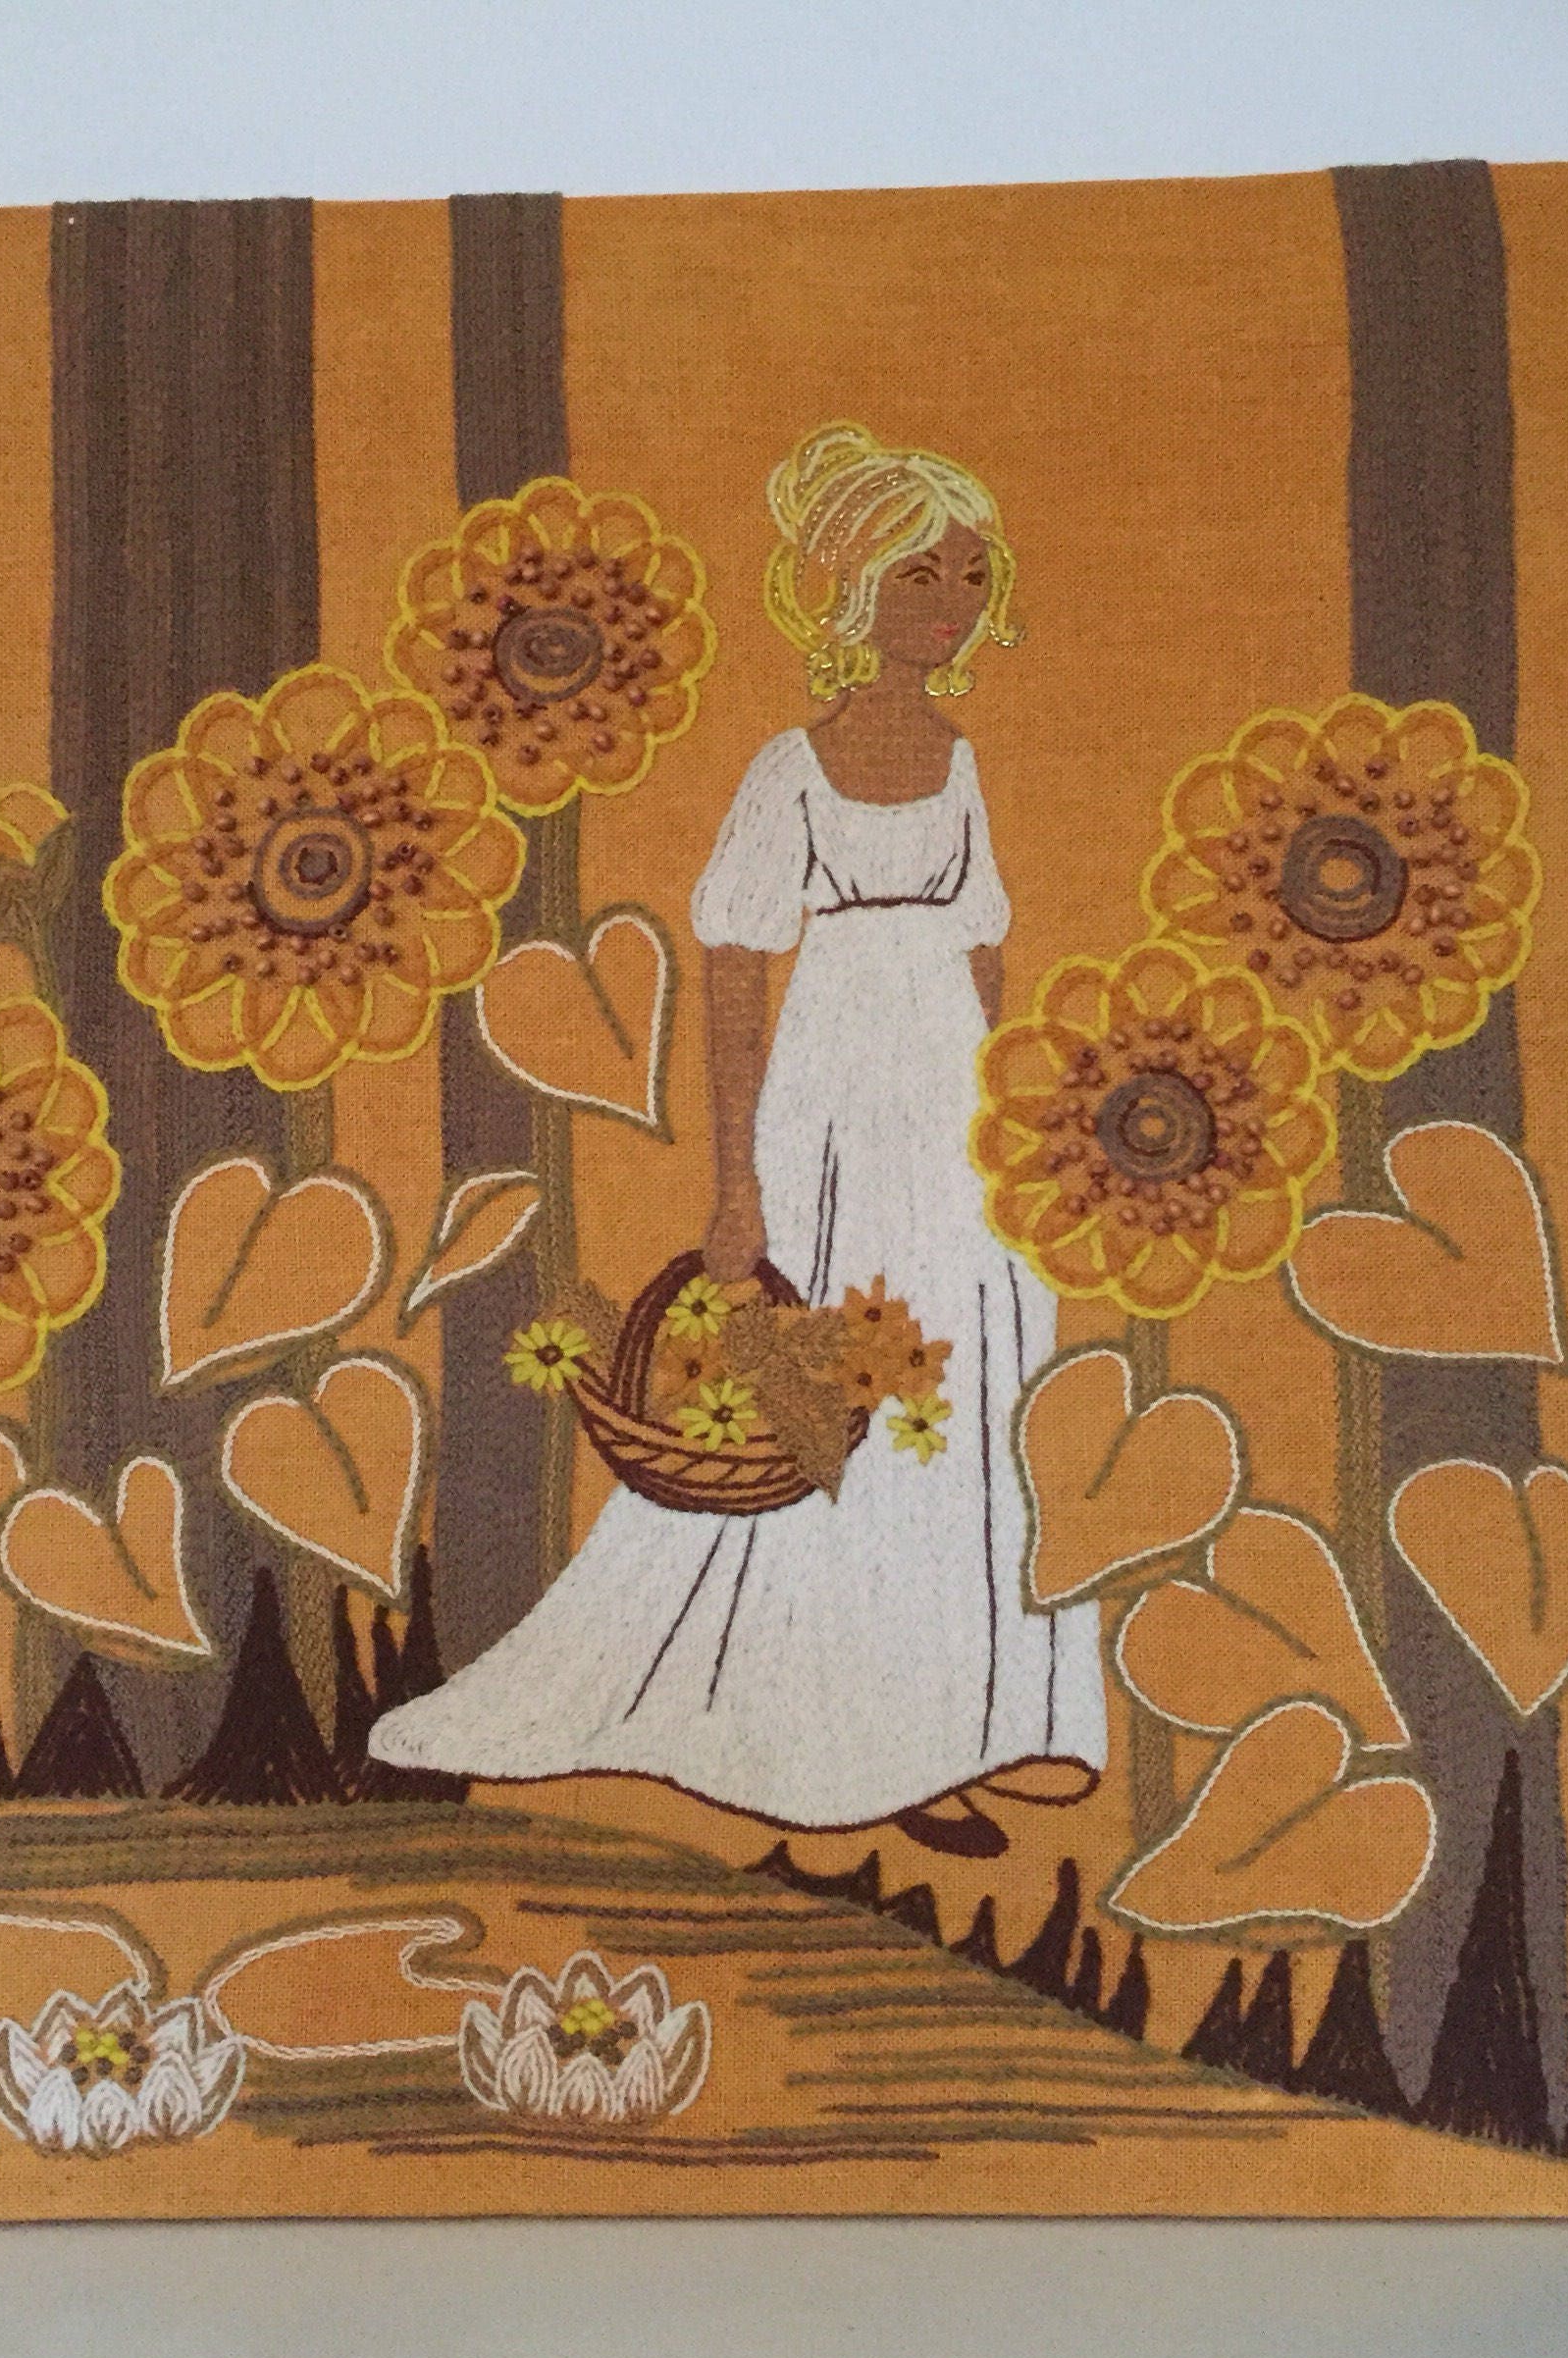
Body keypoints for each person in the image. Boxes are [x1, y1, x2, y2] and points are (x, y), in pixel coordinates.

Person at [370, 424, 1105, 1854]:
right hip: (831, 1096)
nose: (949, 605)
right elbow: (732, 971)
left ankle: (987, 1710)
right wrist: (738, 1184)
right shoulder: (792, 770)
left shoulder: (960, 759)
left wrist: (1015, 1124)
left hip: (956, 1103)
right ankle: (869, 1736)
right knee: (838, 1388)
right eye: (917, 577)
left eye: (969, 576)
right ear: (851, 591)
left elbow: (987, 948)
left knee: (979, 1365)